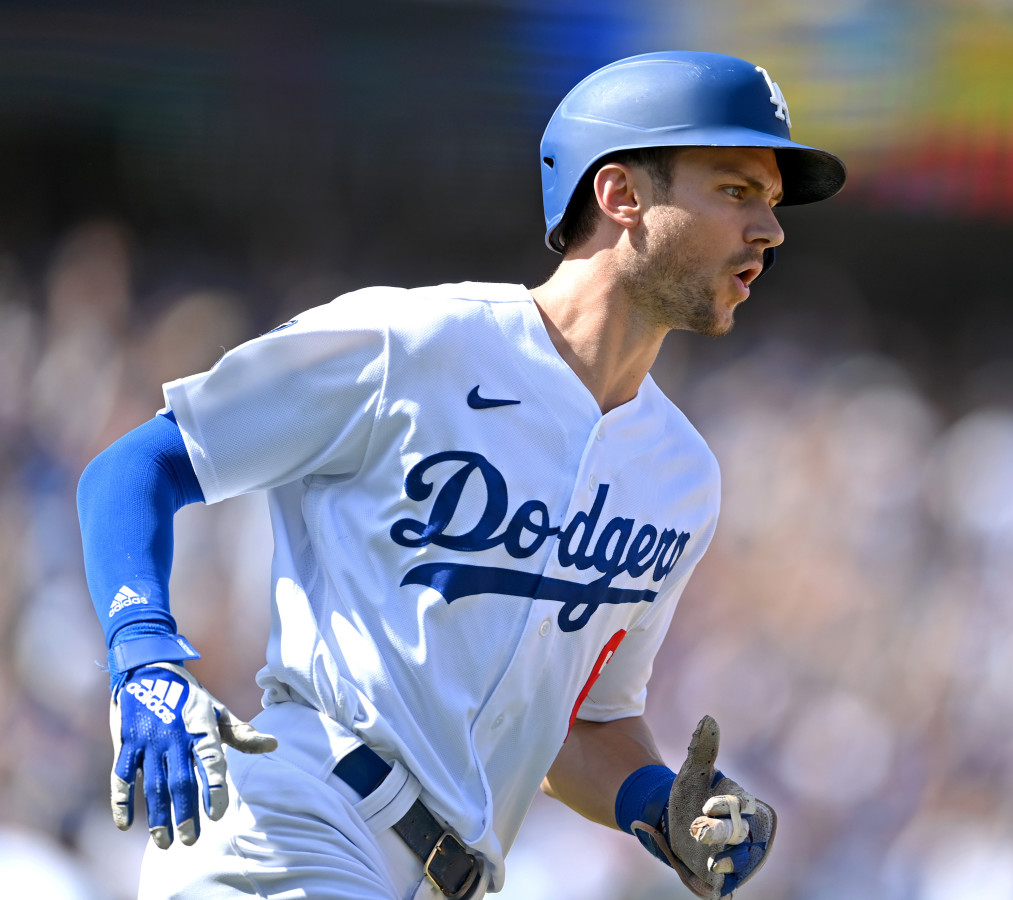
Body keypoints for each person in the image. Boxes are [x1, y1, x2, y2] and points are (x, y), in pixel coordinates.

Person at [76, 50, 845, 899]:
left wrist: (662, 807)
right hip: (296, 824)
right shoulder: (411, 343)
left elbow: (578, 730)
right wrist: (144, 654)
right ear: (621, 195)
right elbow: (136, 467)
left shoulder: (681, 478)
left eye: (772, 204)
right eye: (737, 190)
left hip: (444, 878)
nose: (770, 231)